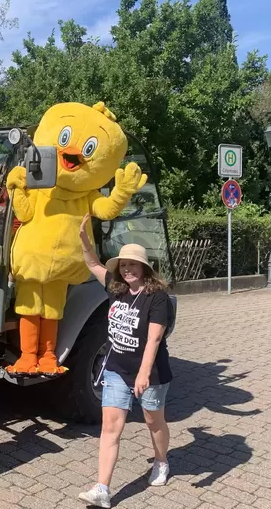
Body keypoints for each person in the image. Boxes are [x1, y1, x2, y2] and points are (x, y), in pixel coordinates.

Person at [76, 215, 173, 508]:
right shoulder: (116, 289)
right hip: (117, 368)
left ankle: (161, 461)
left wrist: (143, 374)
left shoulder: (157, 298)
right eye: (124, 265)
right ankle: (102, 489)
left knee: (152, 420)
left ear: (144, 268)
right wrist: (83, 240)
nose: (128, 269)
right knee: (110, 426)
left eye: (133, 264)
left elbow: (154, 340)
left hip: (151, 371)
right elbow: (93, 264)